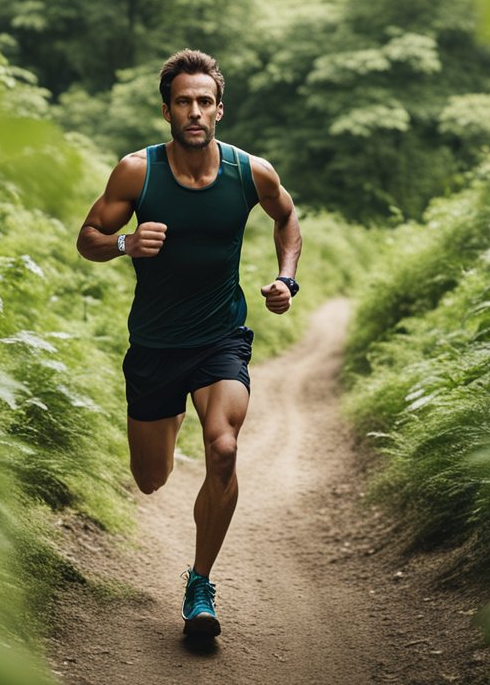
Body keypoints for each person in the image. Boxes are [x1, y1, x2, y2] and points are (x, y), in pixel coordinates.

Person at [76, 49, 301, 638]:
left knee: (224, 447)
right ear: (167, 110)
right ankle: (168, 419)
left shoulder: (251, 172)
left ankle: (200, 584)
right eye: (183, 102)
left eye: (204, 101)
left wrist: (286, 279)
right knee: (151, 478)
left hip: (219, 336)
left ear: (219, 109)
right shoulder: (136, 173)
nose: (194, 111)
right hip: (154, 345)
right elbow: (88, 238)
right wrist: (126, 244)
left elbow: (287, 217)